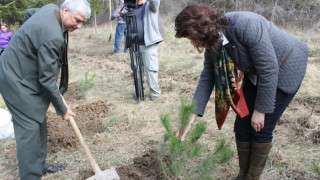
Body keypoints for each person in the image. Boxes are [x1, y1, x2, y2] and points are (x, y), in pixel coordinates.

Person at [174, 4, 308, 180]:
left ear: (202, 29)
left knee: (261, 127)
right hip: (258, 73)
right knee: (242, 125)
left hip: (287, 66)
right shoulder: (213, 40)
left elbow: (269, 68)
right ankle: (243, 175)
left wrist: (261, 110)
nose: (193, 43)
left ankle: (252, 177)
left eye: (192, 38)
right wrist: (191, 116)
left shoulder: (246, 25)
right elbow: (207, 77)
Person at [0, 0, 91, 179]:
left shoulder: (51, 9)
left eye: (83, 23)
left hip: (24, 74)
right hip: (13, 78)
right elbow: (47, 81)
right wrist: (63, 110)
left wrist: (31, 40)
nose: (79, 26)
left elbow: (28, 13)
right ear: (65, 10)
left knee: (39, 119)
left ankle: (40, 164)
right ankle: (31, 175)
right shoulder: (53, 37)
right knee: (29, 129)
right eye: (77, 20)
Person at [123, 0, 163, 101]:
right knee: (136, 69)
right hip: (134, 44)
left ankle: (155, 93)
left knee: (151, 69)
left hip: (148, 44)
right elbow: (128, 22)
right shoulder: (131, 7)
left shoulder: (150, 6)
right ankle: (138, 91)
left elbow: (155, 1)